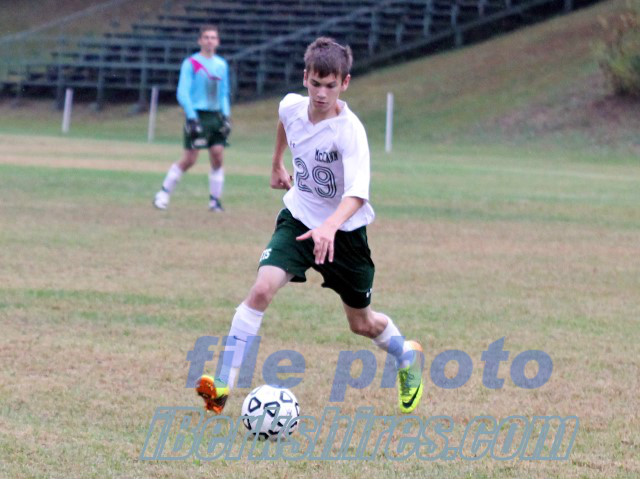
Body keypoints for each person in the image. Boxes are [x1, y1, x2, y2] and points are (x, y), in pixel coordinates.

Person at [196, 37, 424, 415]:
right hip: (299, 219)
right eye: (315, 84)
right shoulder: (291, 106)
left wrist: (329, 228)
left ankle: (407, 356)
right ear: (305, 77)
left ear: (344, 83)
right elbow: (284, 122)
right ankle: (222, 384)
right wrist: (276, 162)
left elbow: (357, 195)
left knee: (362, 323)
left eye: (330, 86)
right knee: (261, 289)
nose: (321, 94)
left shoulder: (349, 131)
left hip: (344, 235)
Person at [153, 25, 231, 212]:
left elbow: (223, 93)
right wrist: (191, 116)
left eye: (213, 37)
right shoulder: (191, 63)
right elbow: (183, 92)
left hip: (215, 116)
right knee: (190, 158)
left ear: (218, 41)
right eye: (206, 37)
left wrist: (226, 116)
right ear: (200, 40)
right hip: (197, 115)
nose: (210, 40)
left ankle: (215, 201)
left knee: (218, 155)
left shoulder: (221, 65)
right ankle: (163, 193)